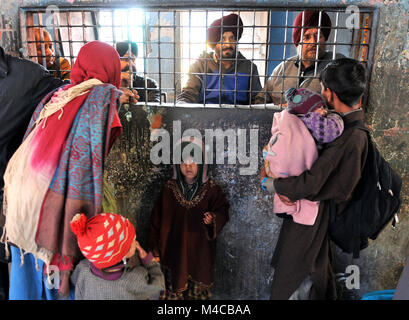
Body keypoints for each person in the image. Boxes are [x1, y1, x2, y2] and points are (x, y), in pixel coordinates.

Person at [1, 40, 137, 300]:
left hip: (19, 193)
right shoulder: (102, 97)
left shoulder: (60, 94)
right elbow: (87, 163)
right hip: (48, 198)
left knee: (27, 266)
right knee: (58, 266)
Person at [262, 58, 368, 300]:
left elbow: (312, 182)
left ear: (329, 93)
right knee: (312, 273)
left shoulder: (348, 136)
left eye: (322, 88)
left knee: (293, 278)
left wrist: (274, 184)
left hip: (313, 215)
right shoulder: (337, 125)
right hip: (315, 213)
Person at [0, 30, 65, 300]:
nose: (48, 52)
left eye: (50, 47)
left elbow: (68, 93)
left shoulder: (24, 78)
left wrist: (107, 91)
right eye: (43, 46)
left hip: (8, 198)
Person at [148, 137, 229, 299]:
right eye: (184, 162)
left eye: (194, 162)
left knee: (197, 294)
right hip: (173, 253)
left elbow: (223, 211)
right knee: (173, 289)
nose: (188, 166)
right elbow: (155, 221)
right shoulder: (169, 189)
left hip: (199, 255)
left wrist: (213, 218)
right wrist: (154, 251)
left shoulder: (212, 190)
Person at [261, 87, 344, 226]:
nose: (324, 112)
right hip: (301, 170)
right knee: (301, 188)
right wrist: (337, 117)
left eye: (324, 107)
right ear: (307, 111)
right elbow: (332, 130)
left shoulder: (286, 120)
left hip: (277, 169)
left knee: (285, 177)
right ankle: (299, 211)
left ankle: (285, 208)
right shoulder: (311, 120)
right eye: (320, 108)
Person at [254, 10, 345, 106]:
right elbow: (260, 100)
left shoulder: (336, 65)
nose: (314, 42)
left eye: (318, 36)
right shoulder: (283, 68)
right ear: (298, 42)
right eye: (307, 37)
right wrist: (279, 108)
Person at [70, 212, 165, 300]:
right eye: (132, 241)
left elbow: (74, 280)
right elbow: (158, 289)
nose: (136, 243)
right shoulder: (136, 278)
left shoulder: (82, 269)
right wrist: (149, 262)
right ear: (121, 256)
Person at [176, 13, 262, 105]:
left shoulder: (249, 68)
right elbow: (188, 95)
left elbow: (257, 100)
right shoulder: (200, 66)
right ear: (214, 42)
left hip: (240, 117)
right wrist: (182, 105)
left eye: (232, 38)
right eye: (222, 39)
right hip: (205, 116)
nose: (228, 44)